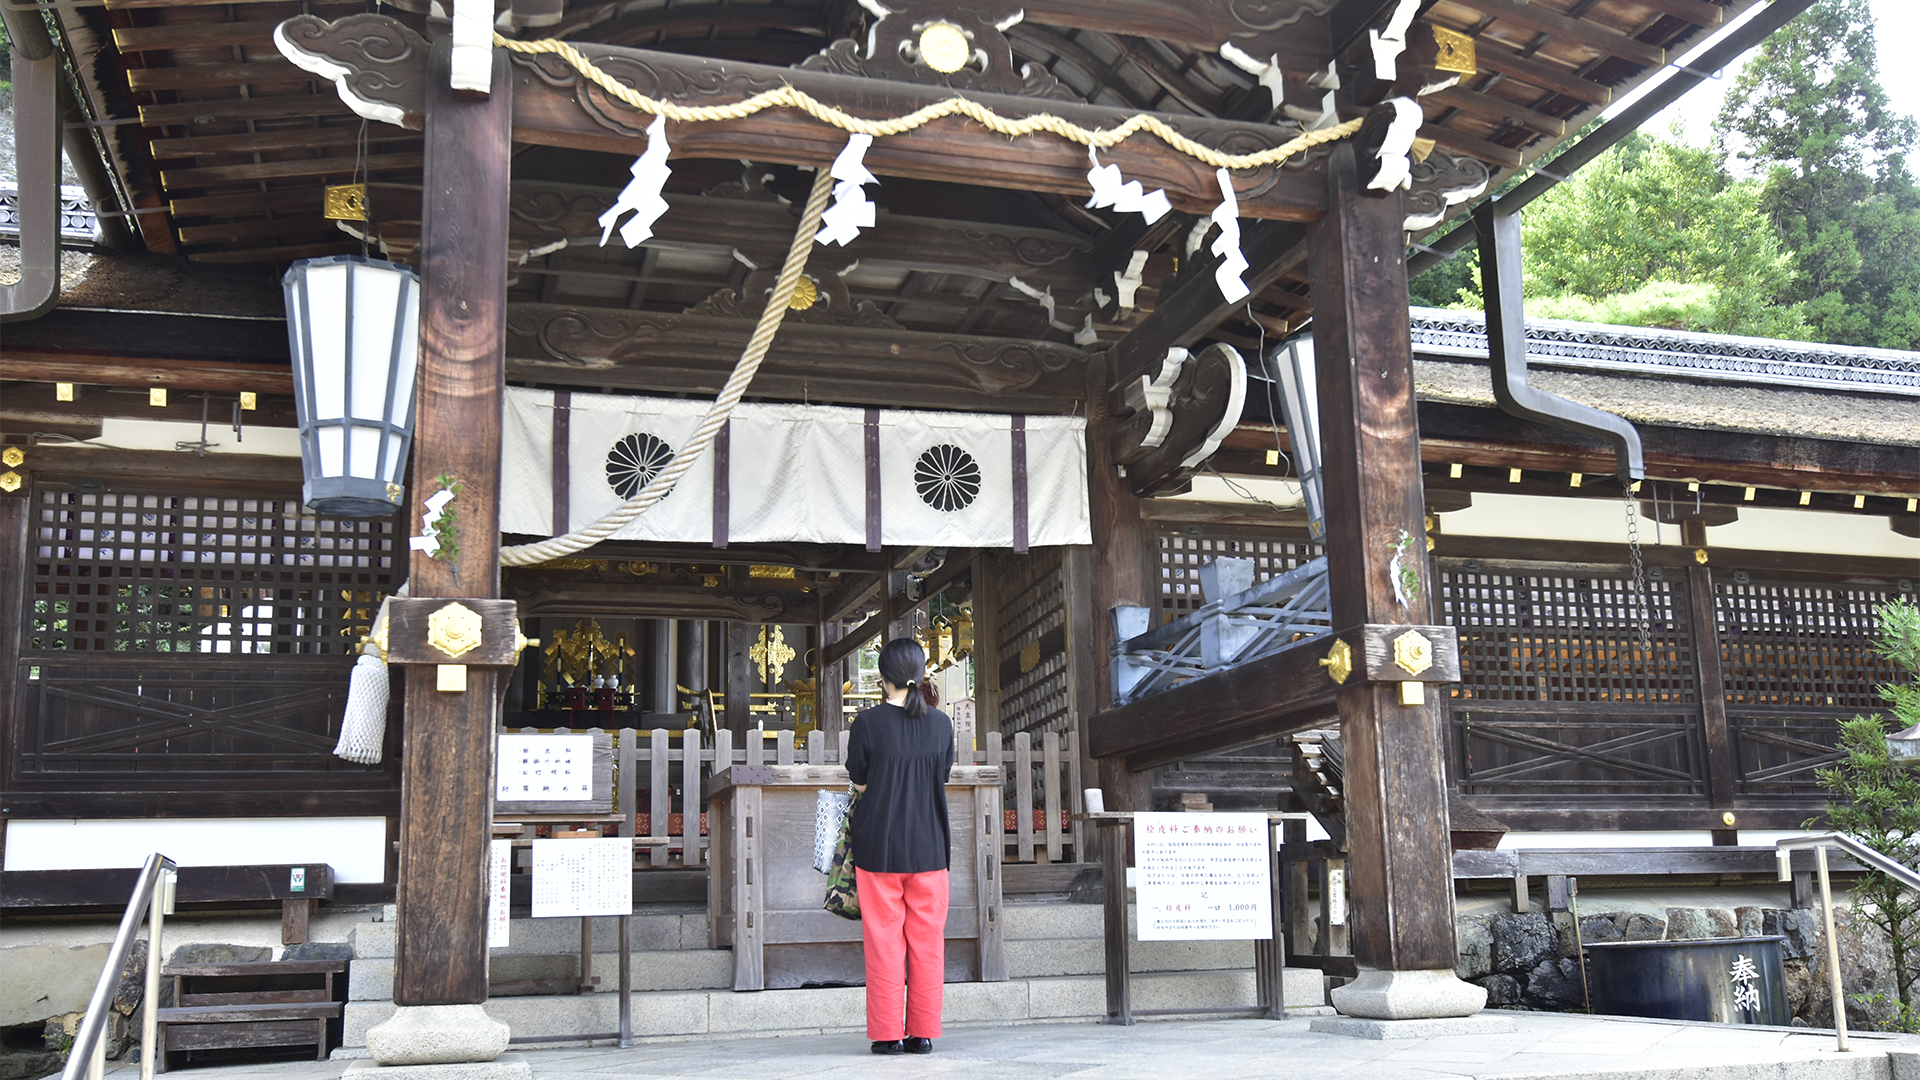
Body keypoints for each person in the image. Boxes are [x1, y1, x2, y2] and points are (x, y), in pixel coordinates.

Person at [844, 637, 954, 1056]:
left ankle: (888, 1034)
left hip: (879, 845)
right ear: (921, 674)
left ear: (883, 677)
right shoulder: (941, 725)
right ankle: (922, 1033)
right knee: (927, 942)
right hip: (929, 847)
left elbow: (861, 782)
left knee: (884, 940)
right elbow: (939, 778)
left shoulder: (867, 724)